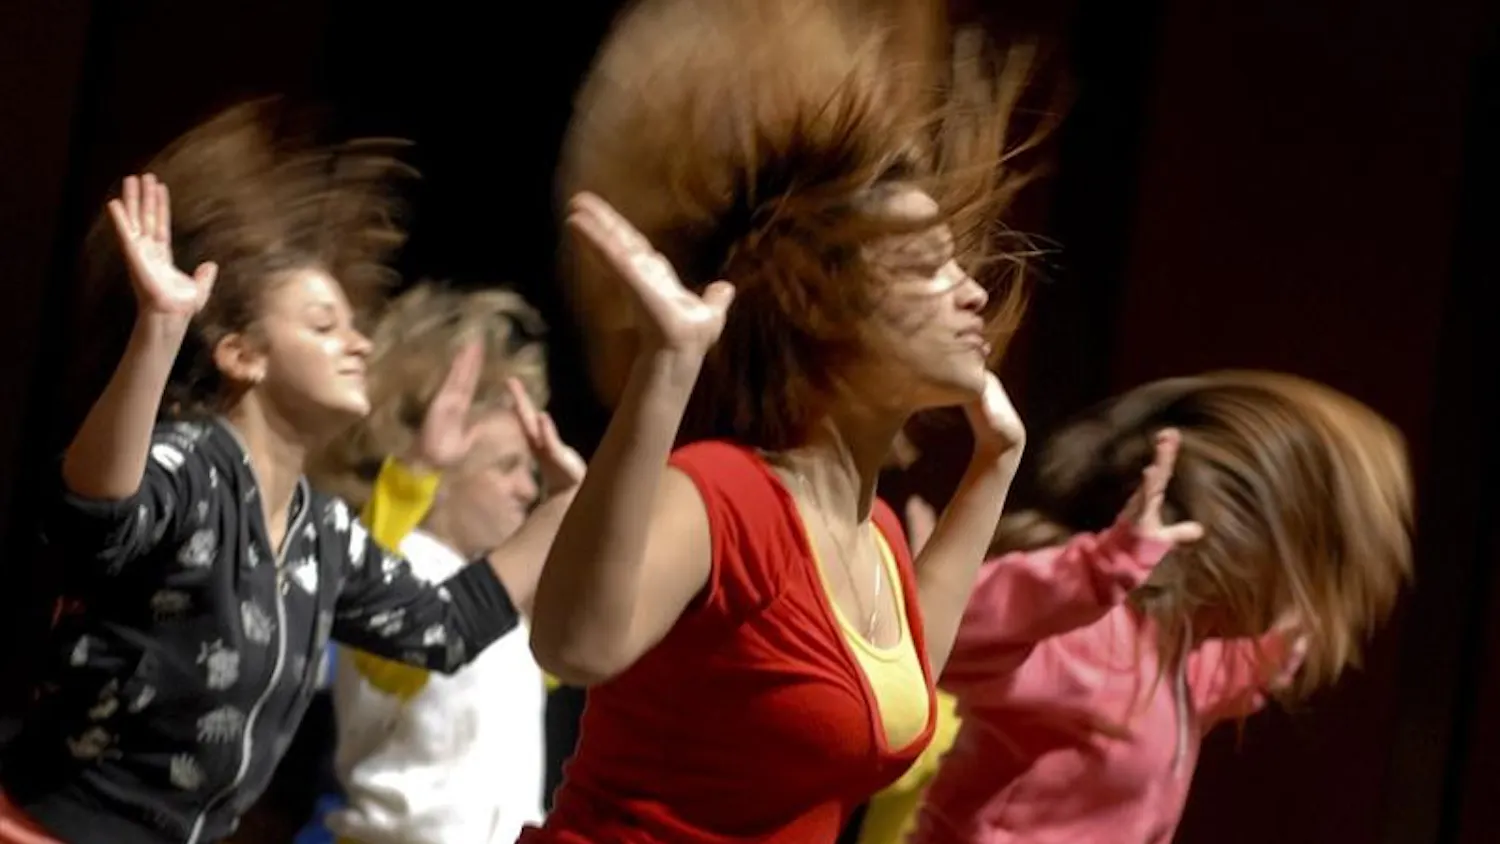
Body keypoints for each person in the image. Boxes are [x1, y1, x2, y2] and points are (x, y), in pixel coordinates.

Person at [518, 0, 1070, 839]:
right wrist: (670, 366)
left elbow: (907, 689)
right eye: (925, 268)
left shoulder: (878, 532)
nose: (972, 293)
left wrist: (997, 460)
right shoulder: (724, 498)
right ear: (827, 314)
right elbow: (575, 647)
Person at [0, 101, 575, 844]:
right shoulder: (195, 462)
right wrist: (160, 332)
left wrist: (570, 502)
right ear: (243, 354)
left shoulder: (324, 532)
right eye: (324, 325)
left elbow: (447, 628)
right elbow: (94, 514)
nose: (359, 344)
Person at [913, 371, 1414, 844]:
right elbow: (948, 632)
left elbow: (1231, 673)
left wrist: (1295, 633)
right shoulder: (1095, 640)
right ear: (1246, 549)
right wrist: (1098, 568)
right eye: (1311, 561)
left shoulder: (1177, 655)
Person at [309, 283, 585, 844]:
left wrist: (575, 508)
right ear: (447, 477)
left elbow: (572, 650)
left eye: (530, 471)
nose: (524, 488)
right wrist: (415, 472)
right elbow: (381, 630)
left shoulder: (500, 600)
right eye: (507, 466)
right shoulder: (407, 568)